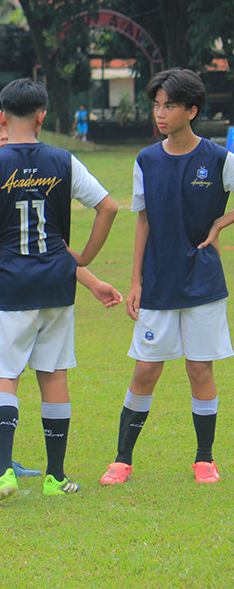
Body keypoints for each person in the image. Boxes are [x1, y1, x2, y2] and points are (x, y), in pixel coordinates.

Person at [0, 94, 122, 482]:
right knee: (53, 374)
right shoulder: (64, 161)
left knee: (3, 375)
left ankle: (2, 473)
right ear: (42, 116)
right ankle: (56, 477)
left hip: (12, 285)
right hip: (55, 283)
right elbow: (109, 207)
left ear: (3, 116)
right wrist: (83, 259)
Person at [100, 68, 234, 486]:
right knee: (145, 371)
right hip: (158, 283)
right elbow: (142, 222)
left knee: (200, 370)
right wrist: (136, 280)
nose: (160, 113)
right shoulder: (147, 159)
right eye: (156, 104)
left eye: (170, 105)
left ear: (192, 110)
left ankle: (204, 460)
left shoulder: (218, 159)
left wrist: (219, 225)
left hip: (203, 283)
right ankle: (122, 460)